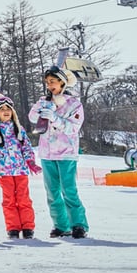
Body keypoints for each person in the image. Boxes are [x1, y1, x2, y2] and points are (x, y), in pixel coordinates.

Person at [28, 65, 90, 238]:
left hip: (66, 153)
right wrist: (44, 108)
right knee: (52, 191)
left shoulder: (74, 104)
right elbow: (32, 117)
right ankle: (61, 225)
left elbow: (73, 128)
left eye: (52, 82)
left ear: (62, 82)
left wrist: (54, 117)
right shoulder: (44, 100)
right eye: (47, 82)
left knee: (68, 190)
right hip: (47, 153)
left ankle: (78, 224)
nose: (49, 85)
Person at [0, 94, 42, 239]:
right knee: (9, 201)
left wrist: (30, 162)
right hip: (4, 172)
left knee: (24, 199)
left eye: (8, 109)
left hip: (20, 171)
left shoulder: (19, 129)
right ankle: (13, 228)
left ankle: (28, 227)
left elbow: (27, 147)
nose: (6, 111)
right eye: (2, 109)